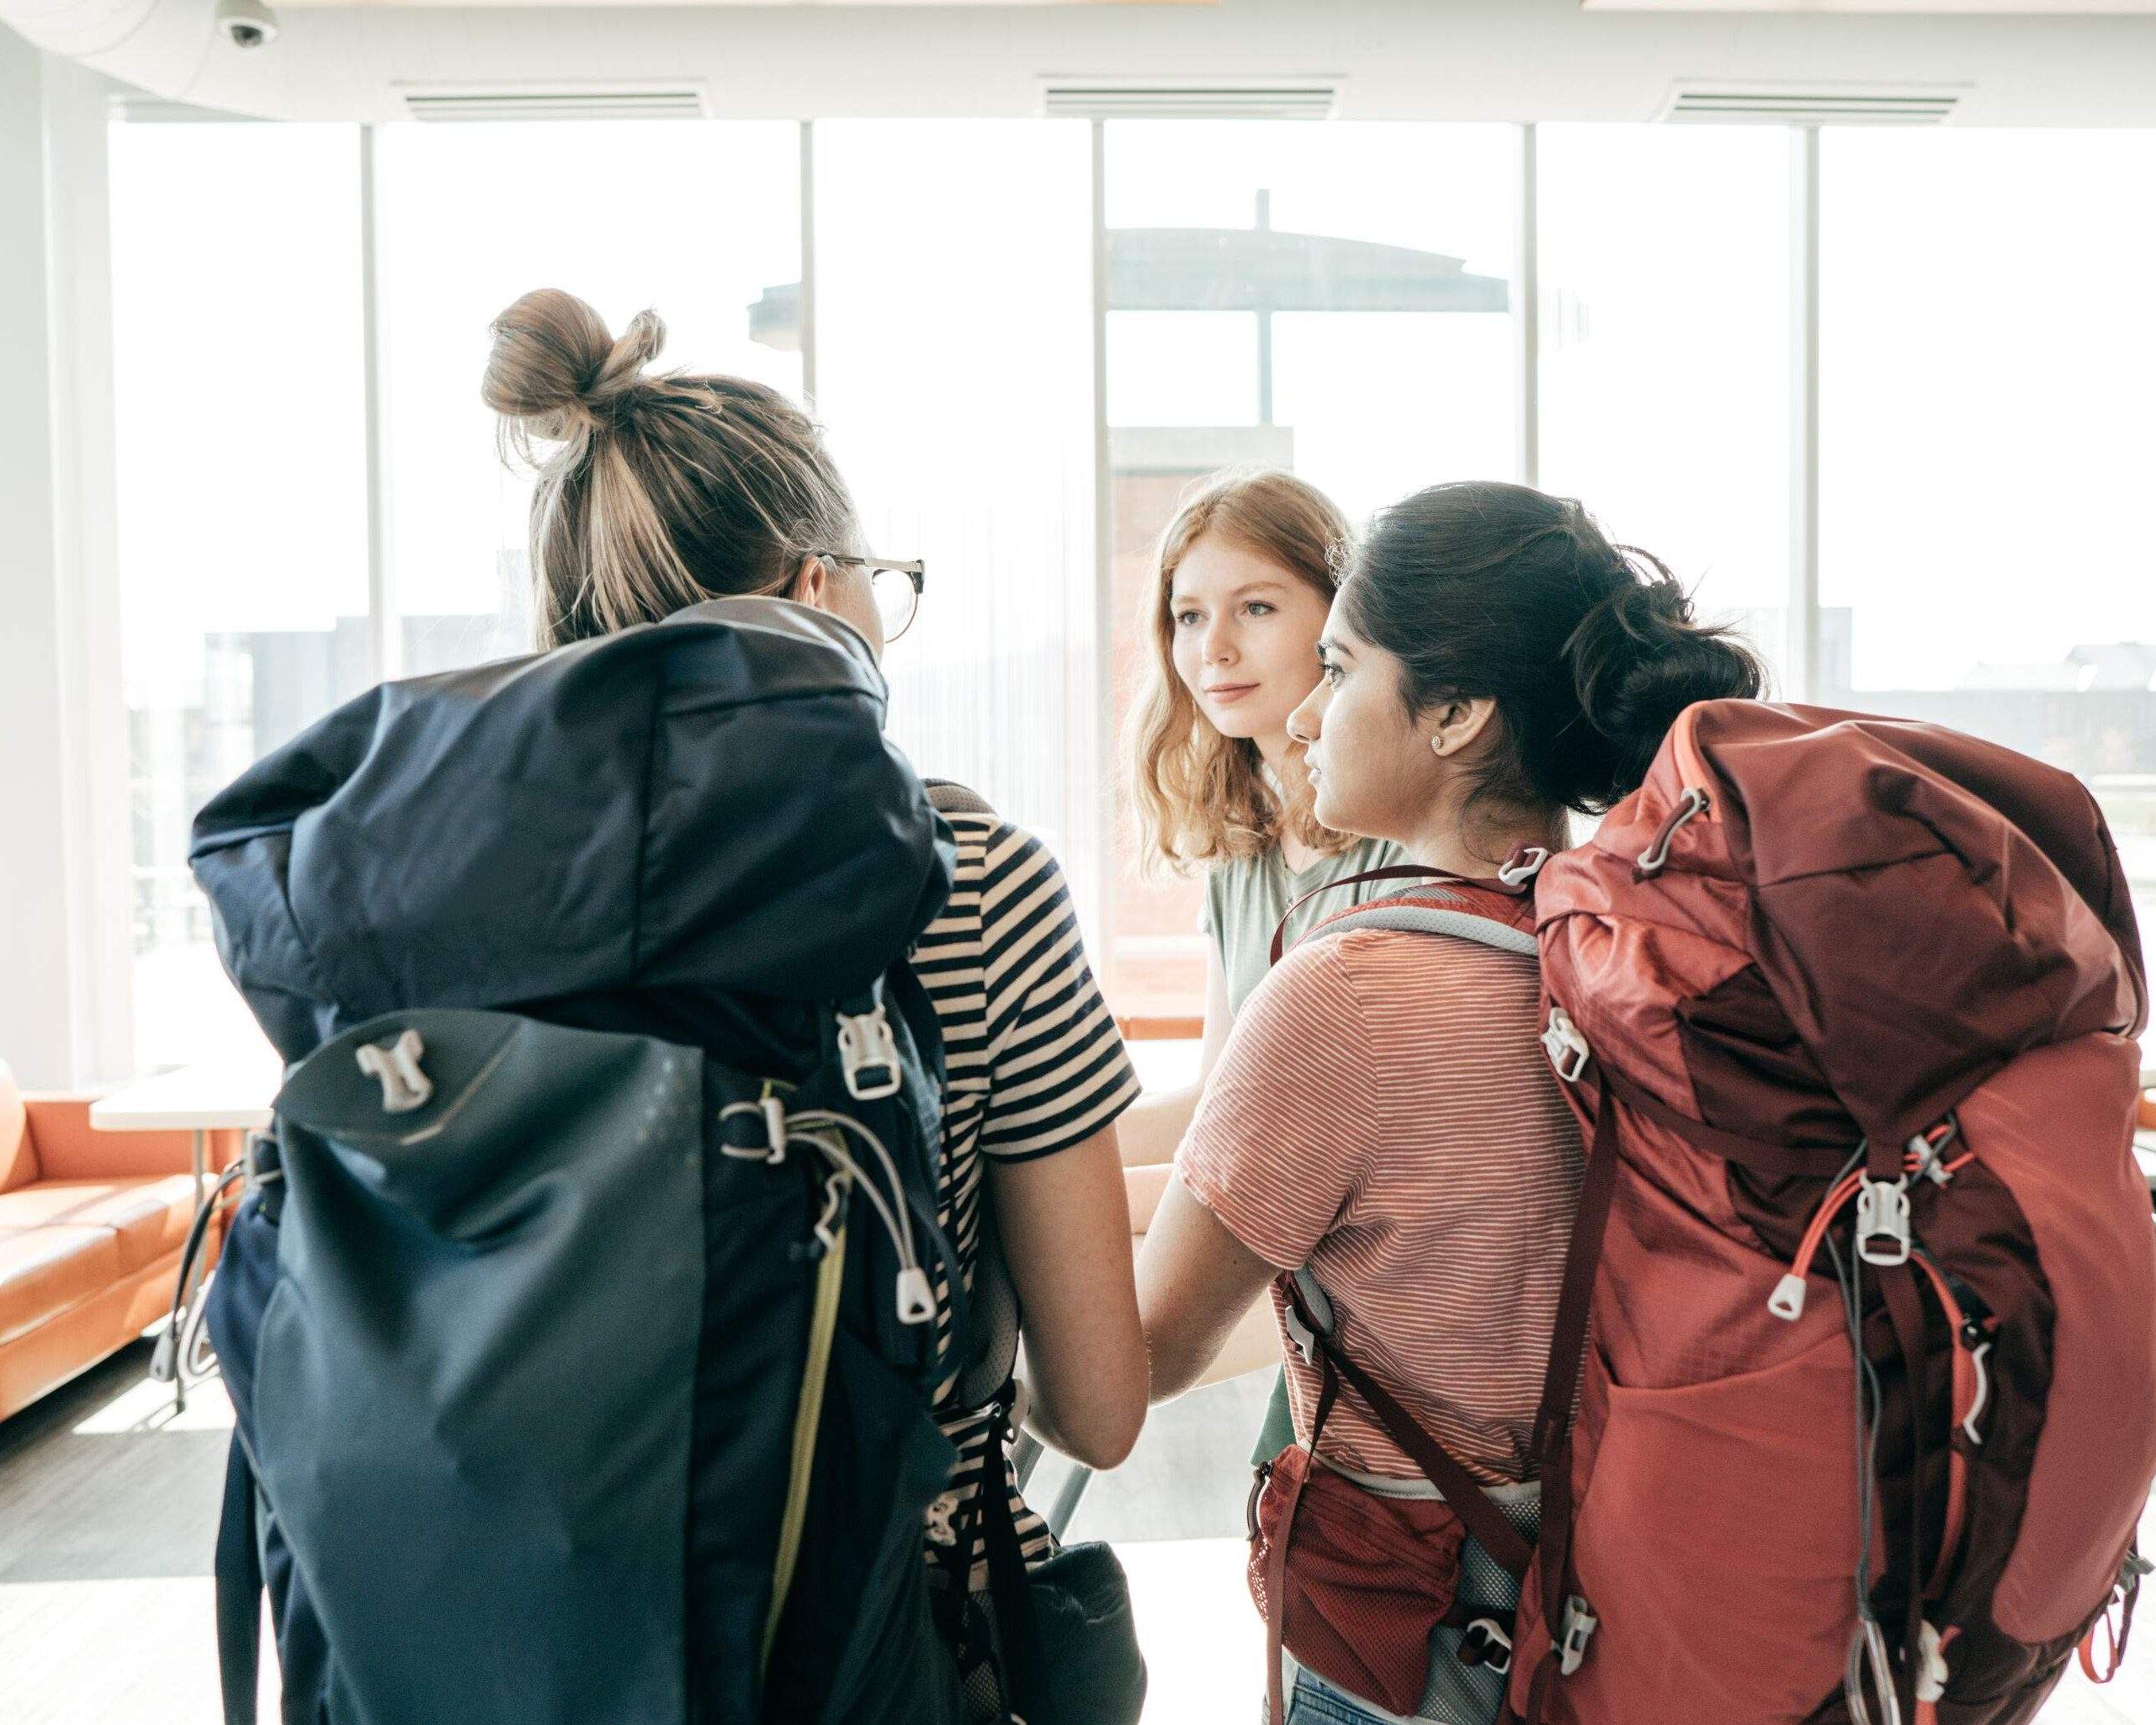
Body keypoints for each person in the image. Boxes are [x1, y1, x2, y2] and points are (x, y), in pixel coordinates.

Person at [482, 289, 1148, 1668]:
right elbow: (1097, 1407)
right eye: (874, 582)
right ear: (810, 589)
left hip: (531, 1637)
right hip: (874, 1633)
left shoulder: (471, 877)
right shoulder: (973, 874)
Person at [1134, 480, 1764, 1725]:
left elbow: (1145, 1355)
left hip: (1407, 1632)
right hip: (1612, 1605)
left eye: (1338, 665)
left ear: (1458, 713)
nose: (1308, 714)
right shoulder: (1619, 951)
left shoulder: (1347, 992)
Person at [1115, 470, 1408, 1457]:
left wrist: (1044, 1194)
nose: (1214, 649)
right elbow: (1217, 1104)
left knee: (1055, 1317)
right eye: (1188, 616)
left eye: (1256, 608)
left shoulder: (1404, 846)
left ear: (1339, 623)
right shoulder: (1241, 856)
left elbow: (1296, 1166)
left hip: (1367, 1267)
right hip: (1280, 1233)